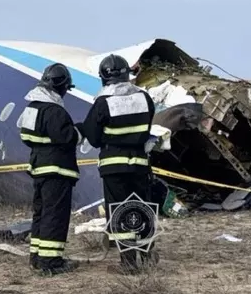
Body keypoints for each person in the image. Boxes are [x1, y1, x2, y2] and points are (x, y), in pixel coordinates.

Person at [78, 54, 158, 274]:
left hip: (114, 167)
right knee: (142, 208)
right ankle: (148, 254)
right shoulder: (144, 98)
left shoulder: (103, 102)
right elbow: (146, 128)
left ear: (104, 77)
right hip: (140, 164)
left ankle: (129, 263)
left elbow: (93, 138)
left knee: (120, 212)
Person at [16, 63, 81, 276]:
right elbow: (67, 138)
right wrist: (79, 131)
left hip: (39, 168)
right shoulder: (55, 111)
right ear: (61, 86)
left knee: (41, 213)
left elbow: (26, 137)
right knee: (55, 215)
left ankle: (36, 256)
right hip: (57, 171)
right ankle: (51, 262)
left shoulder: (32, 108)